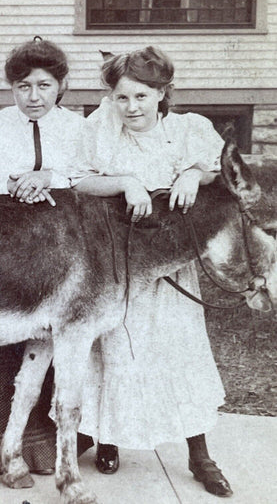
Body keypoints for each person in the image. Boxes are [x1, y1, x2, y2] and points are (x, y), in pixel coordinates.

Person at [74, 46, 232, 497]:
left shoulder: (187, 131)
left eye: (142, 97)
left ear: (163, 94)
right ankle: (107, 437)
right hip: (120, 265)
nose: (132, 108)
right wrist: (125, 182)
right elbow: (78, 179)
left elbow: (214, 168)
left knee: (180, 354)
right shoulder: (103, 131)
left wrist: (193, 174)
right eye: (122, 98)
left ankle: (199, 454)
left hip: (174, 268)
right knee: (117, 353)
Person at [0, 37, 94, 474]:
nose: (34, 97)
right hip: (1, 252)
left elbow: (91, 177)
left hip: (61, 255)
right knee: (0, 342)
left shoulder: (79, 129)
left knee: (52, 343)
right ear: (11, 88)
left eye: (45, 86)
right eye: (23, 86)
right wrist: (6, 186)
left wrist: (52, 176)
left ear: (60, 86)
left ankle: (42, 441)